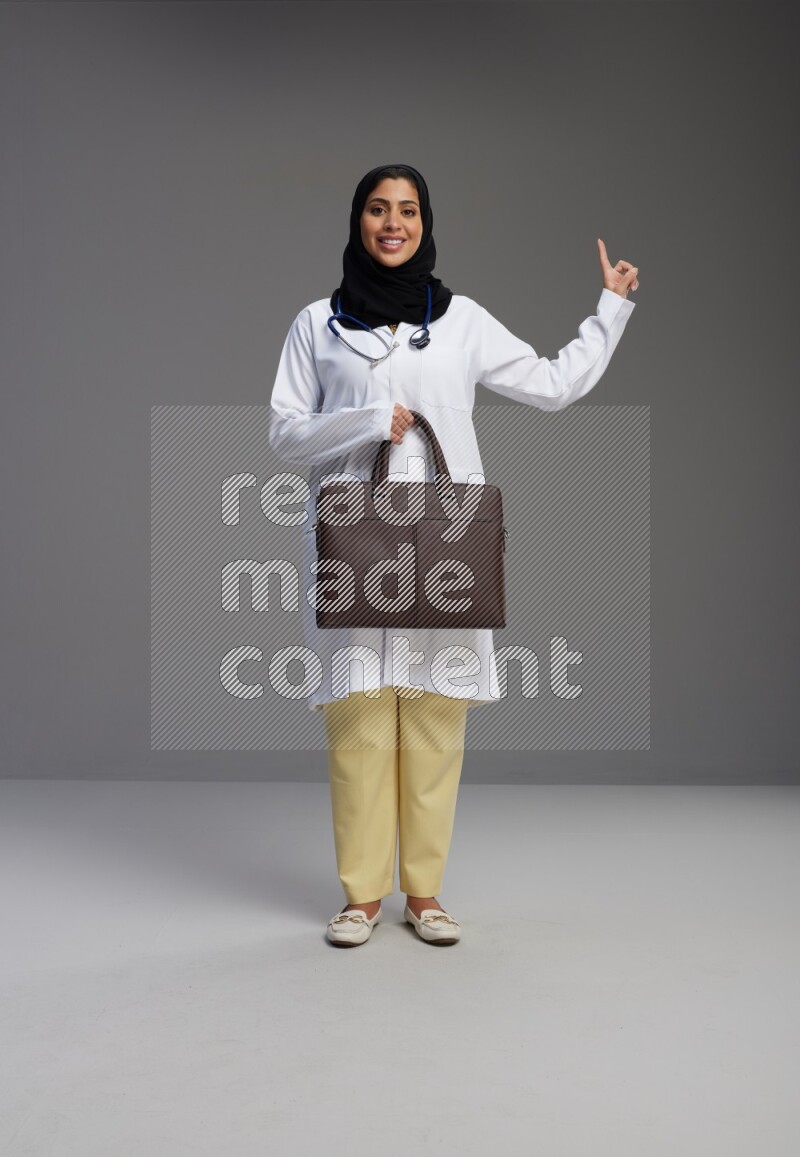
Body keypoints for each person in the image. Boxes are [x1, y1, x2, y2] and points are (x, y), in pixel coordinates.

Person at [268, 163, 639, 947]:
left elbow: (550, 384)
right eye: (377, 209)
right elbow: (284, 432)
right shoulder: (316, 324)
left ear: (426, 223)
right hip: (354, 537)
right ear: (357, 221)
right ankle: (361, 897)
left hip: (445, 542)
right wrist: (368, 419)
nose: (392, 223)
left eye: (406, 210)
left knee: (436, 717)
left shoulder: (462, 319)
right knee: (361, 717)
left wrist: (610, 308)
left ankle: (425, 894)